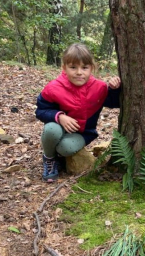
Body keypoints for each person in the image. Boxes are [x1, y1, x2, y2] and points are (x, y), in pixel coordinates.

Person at [35, 43, 121, 182]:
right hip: (59, 128)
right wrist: (60, 117)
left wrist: (114, 89)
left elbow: (115, 102)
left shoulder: (99, 88)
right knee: (51, 129)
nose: (79, 72)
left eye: (84, 67)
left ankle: (60, 155)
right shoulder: (53, 88)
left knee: (65, 148)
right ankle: (49, 158)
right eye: (73, 67)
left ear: (91, 68)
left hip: (83, 133)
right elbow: (41, 111)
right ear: (64, 68)